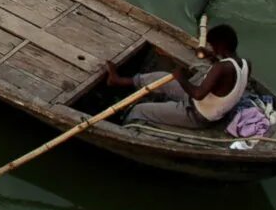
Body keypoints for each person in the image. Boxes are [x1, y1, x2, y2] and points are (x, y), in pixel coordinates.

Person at [106, 23, 249, 130]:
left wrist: (180, 77)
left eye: (213, 46)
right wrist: (211, 56)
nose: (212, 48)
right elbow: (225, 80)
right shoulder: (244, 64)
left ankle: (123, 127)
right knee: (160, 77)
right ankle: (117, 80)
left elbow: (198, 94)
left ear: (221, 45)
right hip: (198, 103)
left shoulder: (221, 68)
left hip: (197, 115)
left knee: (139, 110)